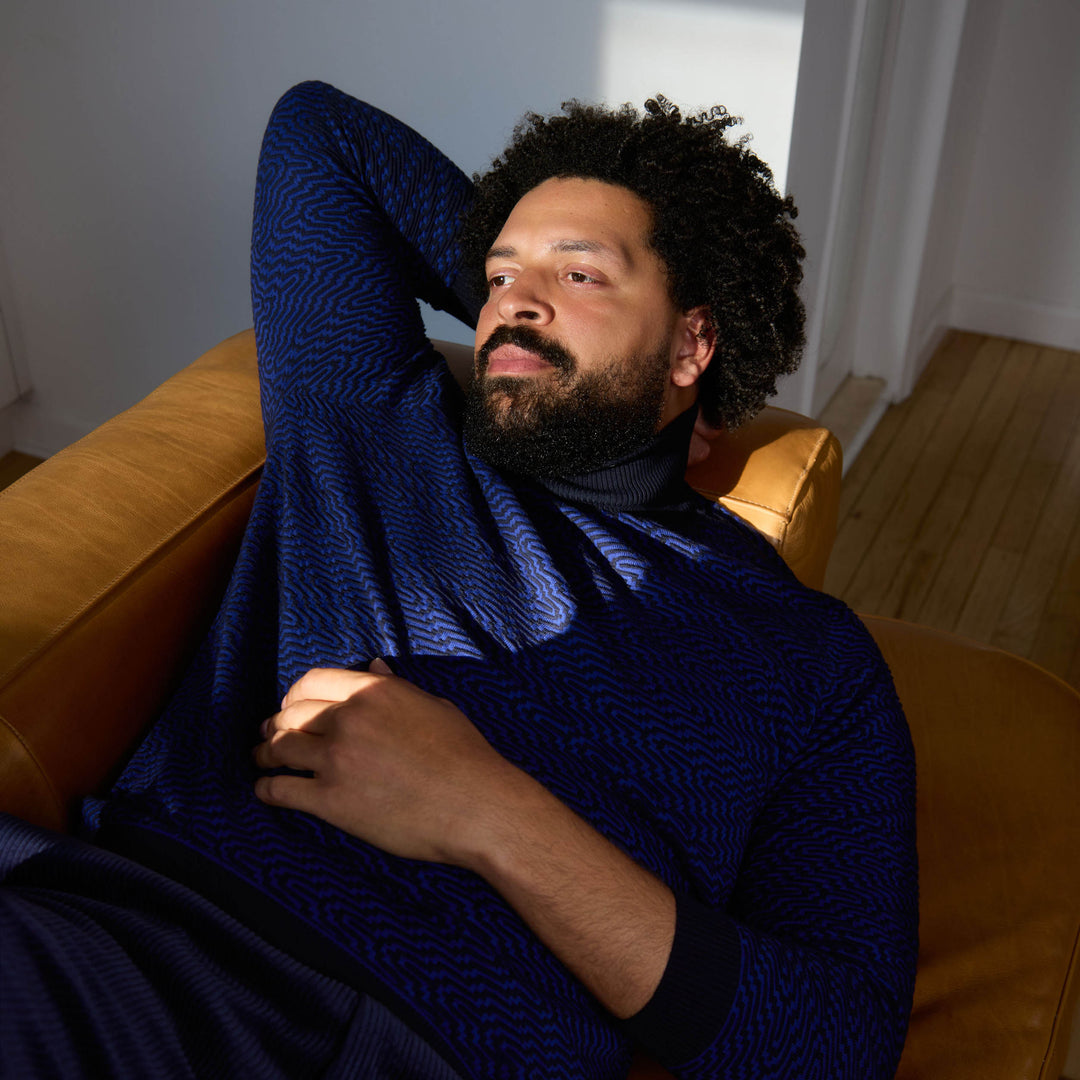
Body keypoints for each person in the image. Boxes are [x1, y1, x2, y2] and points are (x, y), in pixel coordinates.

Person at [0, 81, 917, 1079]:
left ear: (696, 338)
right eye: (495, 273)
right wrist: (566, 309)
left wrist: (490, 815)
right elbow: (320, 139)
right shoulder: (379, 420)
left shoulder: (810, 661)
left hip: (420, 1046)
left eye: (579, 273)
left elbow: (838, 1044)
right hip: (125, 944)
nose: (514, 301)